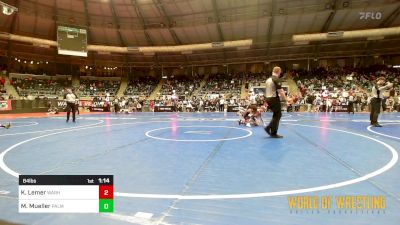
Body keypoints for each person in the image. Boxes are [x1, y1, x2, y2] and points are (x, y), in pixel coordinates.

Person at [264, 66, 286, 138]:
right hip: (273, 98)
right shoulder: (276, 79)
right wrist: (285, 100)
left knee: (276, 115)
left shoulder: (268, 79)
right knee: (278, 114)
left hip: (268, 98)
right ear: (279, 72)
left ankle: (273, 133)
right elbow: (280, 91)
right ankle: (269, 128)